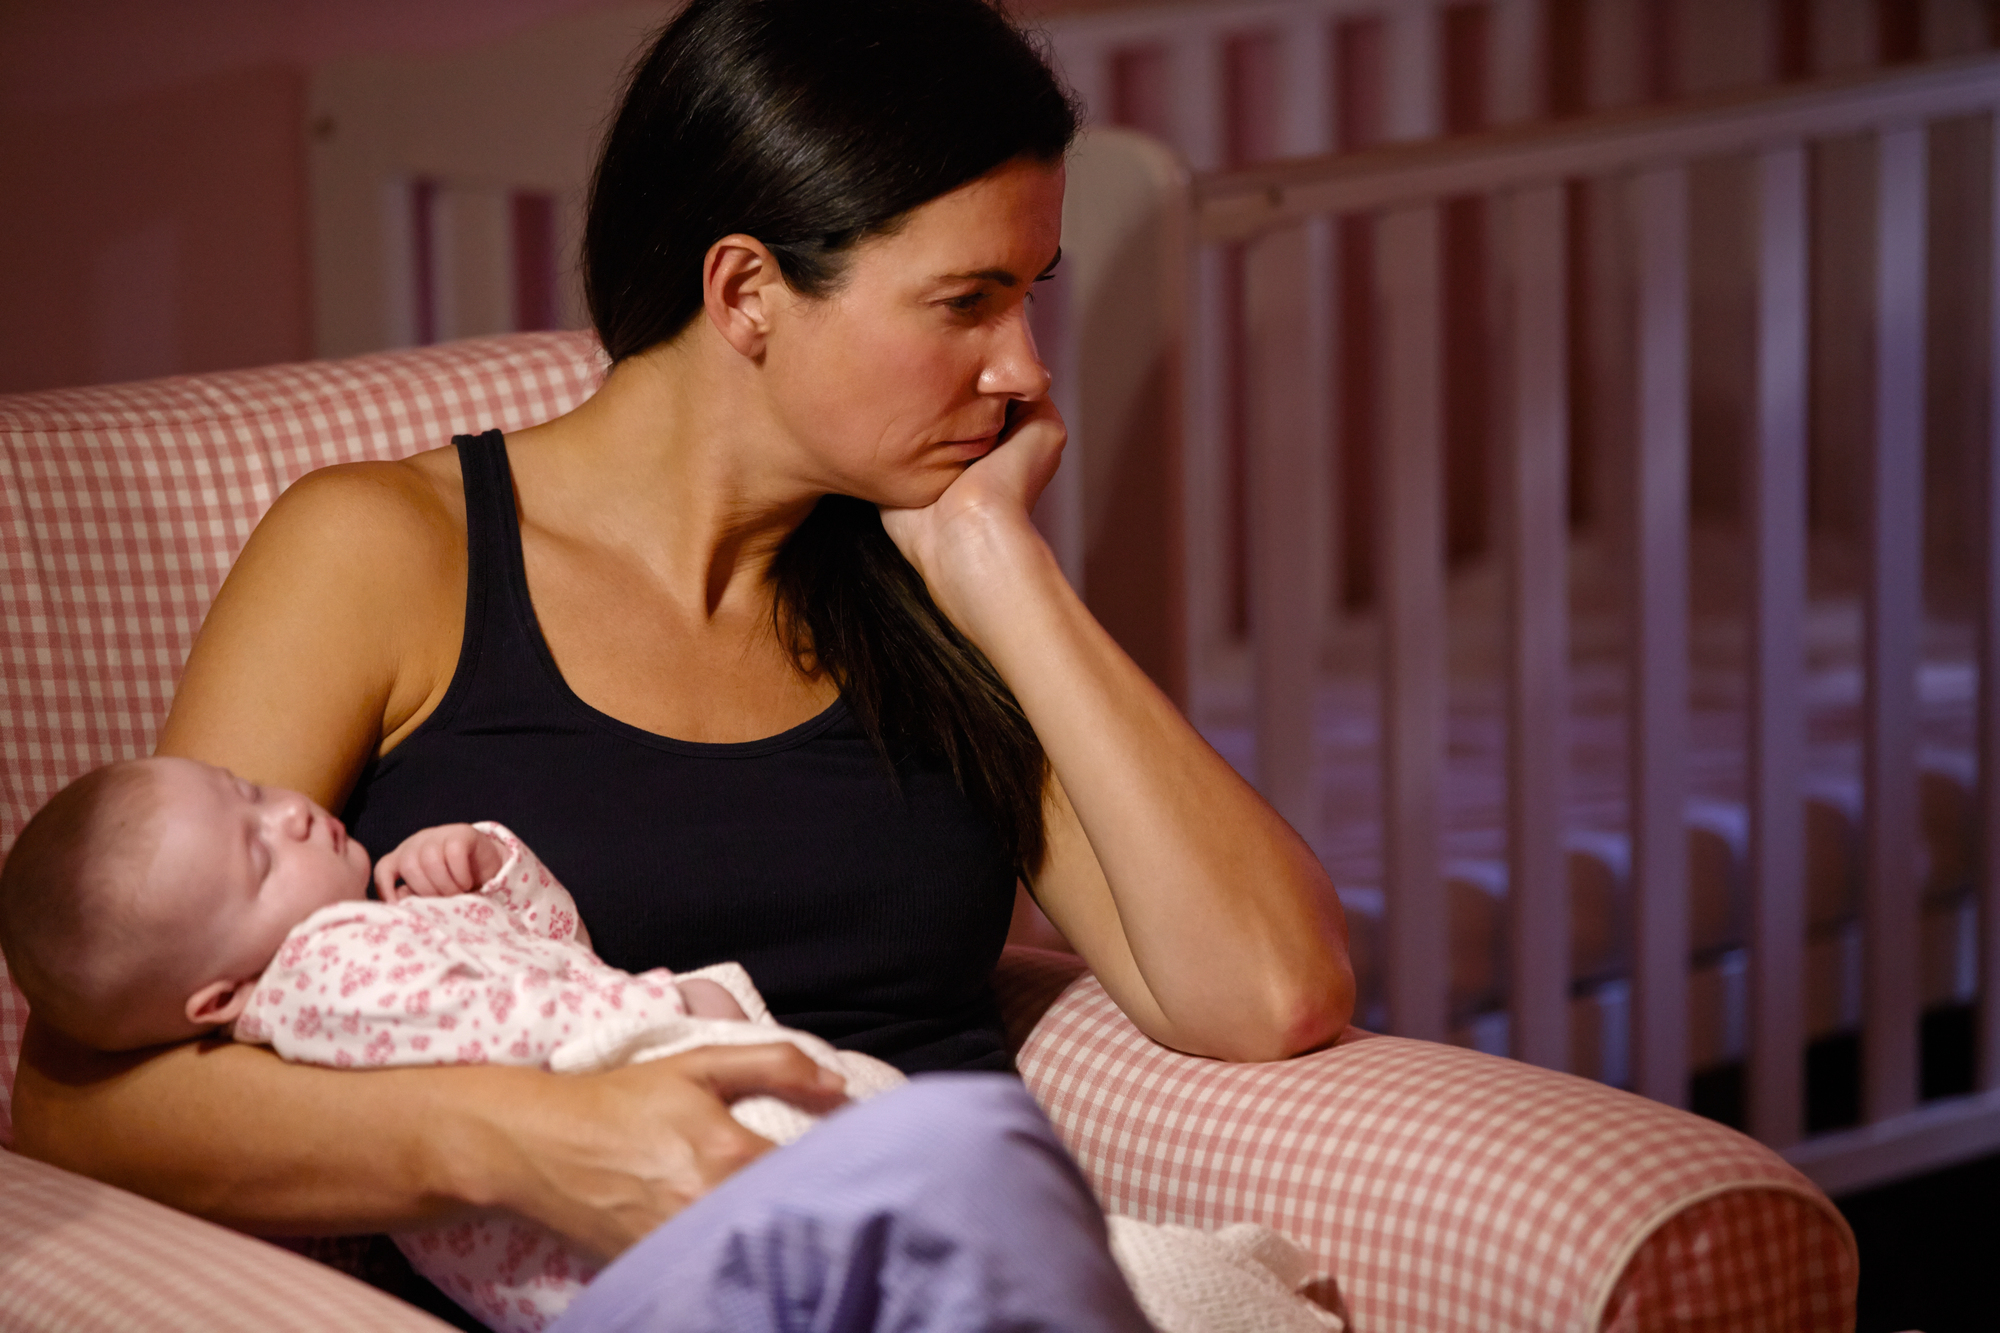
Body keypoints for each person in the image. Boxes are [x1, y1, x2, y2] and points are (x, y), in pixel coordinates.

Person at [10, 0, 1352, 1325]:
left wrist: (1006, 571)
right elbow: (82, 1100)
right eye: (967, 302)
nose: (1022, 370)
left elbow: (1267, 993)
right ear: (747, 290)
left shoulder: (934, 586)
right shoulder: (382, 553)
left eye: (1029, 295)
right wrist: (521, 1140)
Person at [0, 757, 1342, 1333]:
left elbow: (546, 965)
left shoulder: (364, 929)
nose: (290, 811)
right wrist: (667, 1022)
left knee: (1079, 1242)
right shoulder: (317, 978)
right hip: (649, 1253)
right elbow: (533, 1029)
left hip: (728, 1201)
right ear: (215, 994)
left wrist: (495, 880)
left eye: (255, 795)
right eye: (252, 847)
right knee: (972, 1155)